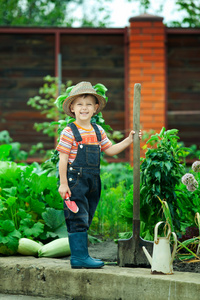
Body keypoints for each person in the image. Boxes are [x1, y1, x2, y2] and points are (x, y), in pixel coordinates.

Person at [56, 81, 142, 269]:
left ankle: (81, 256)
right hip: (75, 182)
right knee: (77, 217)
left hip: (93, 182)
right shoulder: (69, 131)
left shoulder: (97, 130)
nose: (84, 108)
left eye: (88, 104)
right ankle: (79, 257)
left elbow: (110, 150)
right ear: (72, 108)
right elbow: (62, 159)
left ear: (95, 108)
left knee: (86, 217)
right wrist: (63, 184)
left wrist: (129, 140)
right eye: (79, 104)